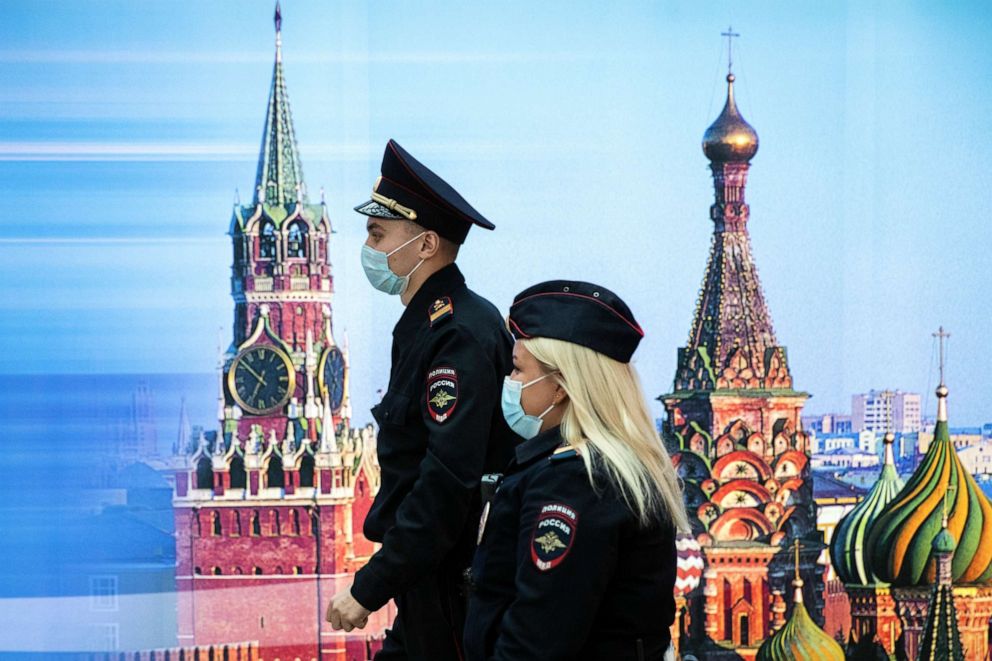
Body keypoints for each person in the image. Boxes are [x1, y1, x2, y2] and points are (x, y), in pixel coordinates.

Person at [325, 139, 517, 661]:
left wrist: (369, 588)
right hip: (427, 581)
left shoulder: (457, 334)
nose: (367, 246)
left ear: (426, 244)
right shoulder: (430, 326)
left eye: (377, 233)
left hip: (454, 583)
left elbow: (447, 481)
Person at [463, 280, 691, 661]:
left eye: (518, 370)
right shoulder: (609, 466)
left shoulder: (574, 482)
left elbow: (537, 638)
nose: (510, 381)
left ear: (562, 386)